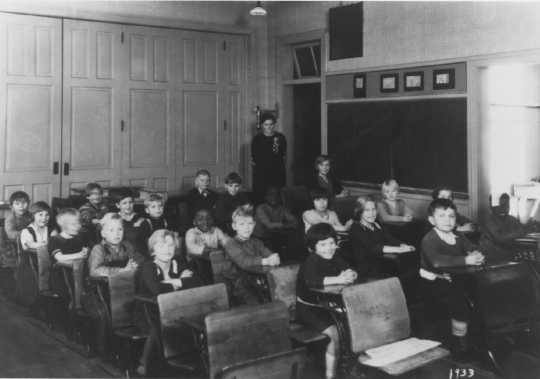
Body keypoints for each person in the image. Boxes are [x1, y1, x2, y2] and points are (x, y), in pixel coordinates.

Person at [420, 198, 485, 360]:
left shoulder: (458, 236)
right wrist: (465, 260)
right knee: (459, 302)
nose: (448, 220)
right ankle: (460, 344)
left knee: (481, 293)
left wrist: (476, 254)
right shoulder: (430, 239)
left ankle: (479, 336)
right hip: (434, 280)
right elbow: (437, 261)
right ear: (431, 220)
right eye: (442, 216)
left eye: (451, 216)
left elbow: (471, 247)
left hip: (457, 276)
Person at [135, 230, 201, 376]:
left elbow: (196, 281)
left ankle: (190, 358)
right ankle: (145, 363)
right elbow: (157, 290)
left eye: (171, 245)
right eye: (162, 246)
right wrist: (181, 281)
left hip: (174, 308)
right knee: (159, 323)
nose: (167, 250)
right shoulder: (148, 266)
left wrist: (172, 281)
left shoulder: (177, 261)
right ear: (153, 250)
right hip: (147, 312)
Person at [296, 223, 357, 379]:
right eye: (322, 244)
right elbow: (313, 281)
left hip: (330, 306)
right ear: (313, 247)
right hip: (309, 309)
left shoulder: (336, 257)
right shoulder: (311, 261)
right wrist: (339, 278)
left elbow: (348, 269)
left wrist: (352, 274)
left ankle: (350, 366)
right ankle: (331, 375)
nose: (328, 248)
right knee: (334, 334)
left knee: (354, 327)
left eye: (331, 243)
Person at [223, 205, 280, 305]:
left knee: (277, 296)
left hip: (257, 280)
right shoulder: (231, 243)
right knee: (257, 303)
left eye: (250, 223)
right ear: (234, 226)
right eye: (242, 224)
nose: (247, 227)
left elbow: (269, 254)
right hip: (238, 284)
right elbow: (243, 262)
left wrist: (274, 257)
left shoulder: (256, 242)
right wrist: (266, 261)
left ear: (254, 224)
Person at [350, 196, 415, 278]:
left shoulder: (376, 224)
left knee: (408, 263)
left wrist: (403, 245)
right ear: (360, 212)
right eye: (367, 210)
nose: (372, 213)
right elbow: (373, 247)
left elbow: (390, 238)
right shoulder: (356, 227)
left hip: (381, 260)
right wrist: (399, 250)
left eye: (373, 209)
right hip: (367, 266)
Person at [48, 208, 89, 309]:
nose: (78, 226)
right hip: (61, 275)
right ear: (63, 225)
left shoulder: (78, 238)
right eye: (73, 224)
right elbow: (60, 258)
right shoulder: (55, 240)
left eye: (79, 223)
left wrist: (85, 251)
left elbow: (85, 250)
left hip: (79, 272)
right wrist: (79, 255)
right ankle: (74, 308)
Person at [479, 193, 535, 263]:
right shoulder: (488, 220)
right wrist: (521, 232)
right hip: (491, 258)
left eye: (507, 205)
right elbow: (500, 238)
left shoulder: (511, 219)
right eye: (501, 205)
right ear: (492, 206)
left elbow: (523, 229)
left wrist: (530, 226)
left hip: (508, 256)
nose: (505, 208)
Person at [88, 213, 143, 277]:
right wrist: (122, 270)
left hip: (126, 282)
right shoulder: (99, 249)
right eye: (111, 230)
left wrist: (135, 264)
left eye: (120, 229)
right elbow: (94, 271)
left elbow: (139, 258)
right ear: (103, 233)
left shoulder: (127, 245)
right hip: (106, 284)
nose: (117, 233)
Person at [253, 187, 302, 260]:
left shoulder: (282, 208)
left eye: (276, 195)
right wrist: (286, 225)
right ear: (266, 197)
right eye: (271, 195)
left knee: (293, 240)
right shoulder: (261, 208)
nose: (274, 197)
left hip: (275, 236)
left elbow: (295, 221)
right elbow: (269, 225)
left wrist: (289, 224)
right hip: (260, 238)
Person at [185, 209, 230, 283]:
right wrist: (214, 251)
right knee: (201, 263)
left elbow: (226, 243)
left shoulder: (216, 230)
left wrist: (229, 247)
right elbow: (192, 248)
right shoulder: (191, 232)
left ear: (213, 220)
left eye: (208, 219)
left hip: (214, 261)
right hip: (196, 264)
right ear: (194, 222)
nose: (205, 222)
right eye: (200, 219)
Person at [251, 113, 287, 203]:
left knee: (277, 196)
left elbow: (283, 155)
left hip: (277, 172)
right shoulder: (257, 139)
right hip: (262, 174)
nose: (269, 127)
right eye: (266, 124)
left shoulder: (280, 138)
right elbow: (255, 158)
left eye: (271, 124)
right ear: (262, 125)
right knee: (261, 196)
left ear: (274, 125)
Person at [1, 191, 32, 267]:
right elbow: (11, 234)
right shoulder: (10, 218)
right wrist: (27, 232)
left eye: (24, 203)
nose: (21, 206)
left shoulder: (30, 215)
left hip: (28, 241)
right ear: (12, 206)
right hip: (13, 244)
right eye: (17, 204)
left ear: (29, 203)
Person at [114, 189, 146, 256]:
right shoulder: (114, 219)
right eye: (124, 203)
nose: (128, 206)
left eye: (130, 202)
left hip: (139, 254)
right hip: (121, 255)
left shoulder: (141, 218)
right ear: (118, 205)